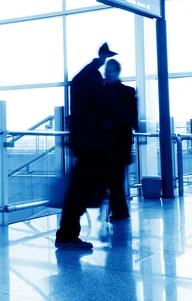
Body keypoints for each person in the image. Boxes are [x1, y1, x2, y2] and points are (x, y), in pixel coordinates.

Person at [55, 42, 117, 250]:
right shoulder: (91, 79)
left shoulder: (84, 77)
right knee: (79, 190)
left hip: (85, 143)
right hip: (91, 144)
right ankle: (67, 236)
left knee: (79, 189)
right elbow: (102, 108)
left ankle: (67, 234)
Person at [102, 58, 138, 221]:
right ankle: (119, 211)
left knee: (114, 179)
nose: (107, 74)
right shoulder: (103, 91)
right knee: (114, 179)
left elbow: (129, 117)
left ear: (117, 72)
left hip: (118, 144)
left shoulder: (127, 92)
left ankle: (119, 211)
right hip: (110, 144)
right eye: (106, 71)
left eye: (110, 71)